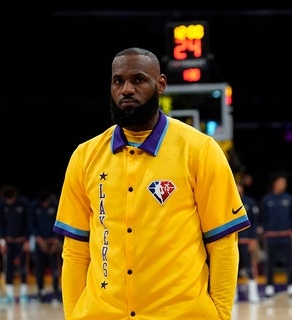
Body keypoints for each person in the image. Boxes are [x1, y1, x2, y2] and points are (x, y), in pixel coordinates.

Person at [52, 47, 250, 319]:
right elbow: (75, 250)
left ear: (161, 85)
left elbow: (223, 243)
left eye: (138, 80)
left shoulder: (200, 150)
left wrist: (220, 315)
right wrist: (72, 315)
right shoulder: (85, 156)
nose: (127, 89)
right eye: (118, 81)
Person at [258, 174, 292, 300]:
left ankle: (291, 288)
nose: (283, 185)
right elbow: (261, 218)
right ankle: (269, 288)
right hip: (271, 236)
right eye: (281, 182)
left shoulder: (289, 199)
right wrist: (262, 229)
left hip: (286, 236)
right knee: (269, 263)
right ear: (275, 183)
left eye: (284, 182)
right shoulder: (266, 199)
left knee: (290, 262)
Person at [0, 184, 32, 304]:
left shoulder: (24, 203)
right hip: (8, 242)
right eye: (7, 200)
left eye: (10, 199)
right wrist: (2, 242)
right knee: (8, 269)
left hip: (21, 242)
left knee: (23, 268)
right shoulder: (2, 204)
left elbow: (29, 223)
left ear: (14, 196)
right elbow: (0, 225)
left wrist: (28, 240)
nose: (9, 201)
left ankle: (24, 294)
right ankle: (10, 295)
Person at [29, 189, 62, 303]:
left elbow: (60, 221)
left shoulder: (55, 205)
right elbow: (31, 224)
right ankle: (41, 292)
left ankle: (56, 292)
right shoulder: (34, 207)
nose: (45, 204)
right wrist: (39, 239)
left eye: (46, 202)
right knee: (39, 268)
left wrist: (56, 239)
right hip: (40, 242)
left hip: (52, 241)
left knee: (55, 268)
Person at [236, 182, 261, 303]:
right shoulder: (227, 201)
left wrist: (253, 239)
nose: (237, 188)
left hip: (247, 241)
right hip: (233, 242)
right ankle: (233, 295)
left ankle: (253, 294)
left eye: (238, 185)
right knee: (233, 269)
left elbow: (254, 223)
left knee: (250, 267)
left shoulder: (250, 203)